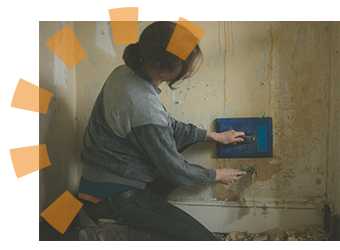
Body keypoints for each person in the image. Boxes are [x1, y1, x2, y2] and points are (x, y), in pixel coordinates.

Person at [77, 21, 246, 241]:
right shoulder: (145, 108)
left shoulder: (122, 74)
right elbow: (176, 170)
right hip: (111, 199)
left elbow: (167, 126)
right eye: (186, 64)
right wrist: (216, 175)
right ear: (163, 70)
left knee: (182, 148)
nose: (191, 68)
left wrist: (212, 136)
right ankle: (110, 236)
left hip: (97, 182)